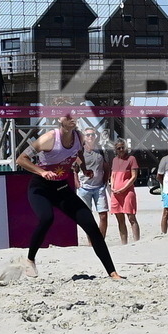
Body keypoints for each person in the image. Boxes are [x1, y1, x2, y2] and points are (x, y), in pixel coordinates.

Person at [15, 113, 122, 279]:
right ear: (59, 119)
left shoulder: (78, 137)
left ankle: (112, 272)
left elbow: (78, 154)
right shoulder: (49, 138)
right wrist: (42, 172)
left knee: (91, 226)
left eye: (75, 116)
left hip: (61, 187)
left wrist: (84, 168)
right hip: (40, 187)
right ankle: (30, 259)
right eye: (68, 116)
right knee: (46, 218)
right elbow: (21, 159)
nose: (73, 119)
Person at [74, 128, 109, 239]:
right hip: (84, 188)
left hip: (99, 187)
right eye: (88, 135)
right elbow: (74, 170)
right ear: (84, 137)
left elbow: (106, 167)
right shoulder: (80, 151)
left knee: (103, 215)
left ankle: (100, 240)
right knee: (88, 217)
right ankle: (91, 241)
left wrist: (105, 181)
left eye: (93, 135)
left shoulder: (101, 151)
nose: (90, 137)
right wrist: (77, 184)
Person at [108, 139, 141, 244]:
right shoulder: (114, 160)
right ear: (116, 150)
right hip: (116, 193)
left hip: (127, 191)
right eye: (119, 148)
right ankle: (124, 243)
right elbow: (113, 175)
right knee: (120, 219)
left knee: (131, 217)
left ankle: (137, 241)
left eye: (123, 147)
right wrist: (112, 187)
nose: (121, 150)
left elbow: (134, 176)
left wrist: (124, 188)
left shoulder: (131, 159)